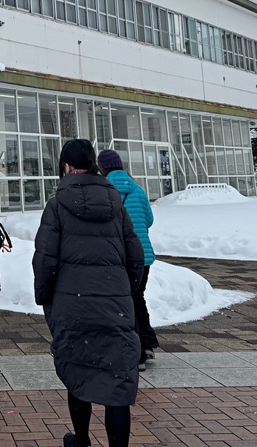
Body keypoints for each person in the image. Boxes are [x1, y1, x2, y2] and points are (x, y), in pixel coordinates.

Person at [33, 139, 144, 447]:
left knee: (79, 369)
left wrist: (46, 298)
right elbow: (135, 255)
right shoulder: (116, 204)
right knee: (117, 381)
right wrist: (124, 290)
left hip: (73, 304)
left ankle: (81, 439)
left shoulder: (57, 205)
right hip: (115, 304)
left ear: (66, 167)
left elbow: (44, 259)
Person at [98, 149, 159, 369]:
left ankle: (138, 355)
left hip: (122, 256)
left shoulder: (105, 191)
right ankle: (148, 343)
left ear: (102, 168)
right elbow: (149, 220)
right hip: (144, 256)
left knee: (124, 304)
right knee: (138, 299)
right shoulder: (138, 189)